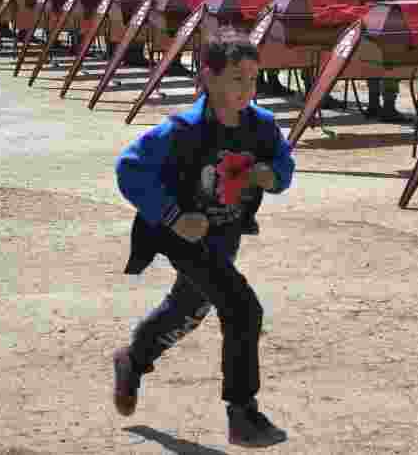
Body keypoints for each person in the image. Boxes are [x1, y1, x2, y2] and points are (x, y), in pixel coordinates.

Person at [112, 28, 294, 448]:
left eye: (252, 79)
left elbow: (284, 164)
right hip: (181, 237)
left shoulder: (262, 127)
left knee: (188, 309)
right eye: (236, 79)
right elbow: (129, 168)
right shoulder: (182, 130)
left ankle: (132, 360)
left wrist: (273, 176)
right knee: (243, 308)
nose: (247, 89)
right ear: (208, 77)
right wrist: (174, 216)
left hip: (223, 233)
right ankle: (242, 413)